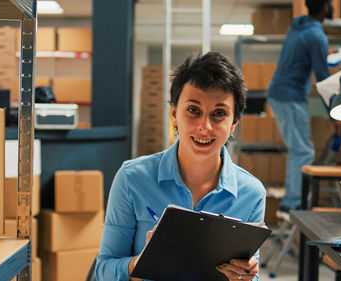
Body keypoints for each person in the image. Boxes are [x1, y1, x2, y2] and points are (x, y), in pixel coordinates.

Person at [95, 52, 266, 281]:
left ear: (233, 123)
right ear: (174, 114)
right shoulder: (132, 178)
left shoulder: (252, 193)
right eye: (193, 110)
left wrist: (245, 277)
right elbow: (103, 270)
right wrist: (144, 261)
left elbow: (250, 275)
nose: (204, 126)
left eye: (219, 114)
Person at [267, 0, 334, 213]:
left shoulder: (299, 25)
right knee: (303, 151)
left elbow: (302, 56)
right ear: (325, 7)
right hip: (290, 96)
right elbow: (323, 80)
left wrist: (322, 55)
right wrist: (334, 115)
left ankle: (292, 199)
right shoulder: (316, 36)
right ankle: (293, 203)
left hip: (281, 92)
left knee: (299, 150)